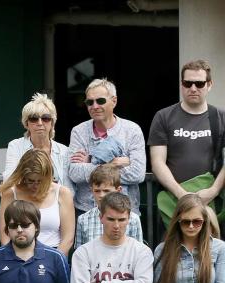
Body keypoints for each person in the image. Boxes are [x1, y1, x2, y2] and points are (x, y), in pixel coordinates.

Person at [149, 59, 225, 225]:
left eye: (199, 83)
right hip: (173, 200)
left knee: (211, 248)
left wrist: (214, 190)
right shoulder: (163, 116)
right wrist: (181, 194)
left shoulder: (221, 117)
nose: (193, 88)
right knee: (174, 249)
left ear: (209, 84)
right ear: (181, 84)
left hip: (210, 200)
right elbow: (157, 162)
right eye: (187, 83)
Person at [68, 79, 146, 214]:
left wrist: (90, 161)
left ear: (114, 101)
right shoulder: (78, 131)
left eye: (100, 101)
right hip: (86, 211)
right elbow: (74, 172)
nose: (95, 106)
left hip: (125, 213)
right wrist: (112, 163)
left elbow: (137, 174)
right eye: (89, 102)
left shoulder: (132, 130)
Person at [0, 149, 75, 254]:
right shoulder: (10, 194)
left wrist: (55, 260)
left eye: (40, 181)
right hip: (18, 255)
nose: (36, 185)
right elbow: (5, 236)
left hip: (54, 253)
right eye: (31, 181)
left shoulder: (63, 193)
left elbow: (67, 238)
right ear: (23, 177)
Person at [4, 92, 74, 195]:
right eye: (33, 118)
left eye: (45, 118)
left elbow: (69, 190)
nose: (40, 123)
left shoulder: (64, 151)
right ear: (26, 124)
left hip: (56, 206)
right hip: (26, 205)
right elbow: (9, 182)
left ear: (52, 123)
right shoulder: (15, 146)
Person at [74, 164, 144, 249]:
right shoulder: (83, 219)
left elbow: (138, 251)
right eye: (97, 191)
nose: (101, 195)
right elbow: (80, 252)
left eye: (106, 191)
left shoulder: (133, 219)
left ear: (118, 190)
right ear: (91, 190)